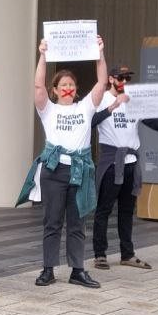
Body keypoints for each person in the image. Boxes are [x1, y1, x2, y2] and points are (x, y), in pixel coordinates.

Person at [19, 37, 108, 288]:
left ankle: (77, 270)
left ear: (76, 89)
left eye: (71, 84)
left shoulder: (85, 108)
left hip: (79, 170)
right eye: (62, 85)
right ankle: (48, 269)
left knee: (77, 222)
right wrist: (43, 55)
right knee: (52, 221)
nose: (67, 88)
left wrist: (99, 53)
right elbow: (37, 86)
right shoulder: (48, 109)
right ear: (55, 90)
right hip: (53, 170)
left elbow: (102, 82)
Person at [90, 65, 158, 271]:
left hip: (131, 161)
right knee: (104, 210)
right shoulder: (102, 99)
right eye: (120, 78)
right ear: (110, 79)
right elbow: (90, 122)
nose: (124, 82)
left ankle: (127, 254)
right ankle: (100, 254)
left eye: (127, 78)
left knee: (127, 211)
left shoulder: (134, 102)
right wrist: (113, 106)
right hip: (111, 161)